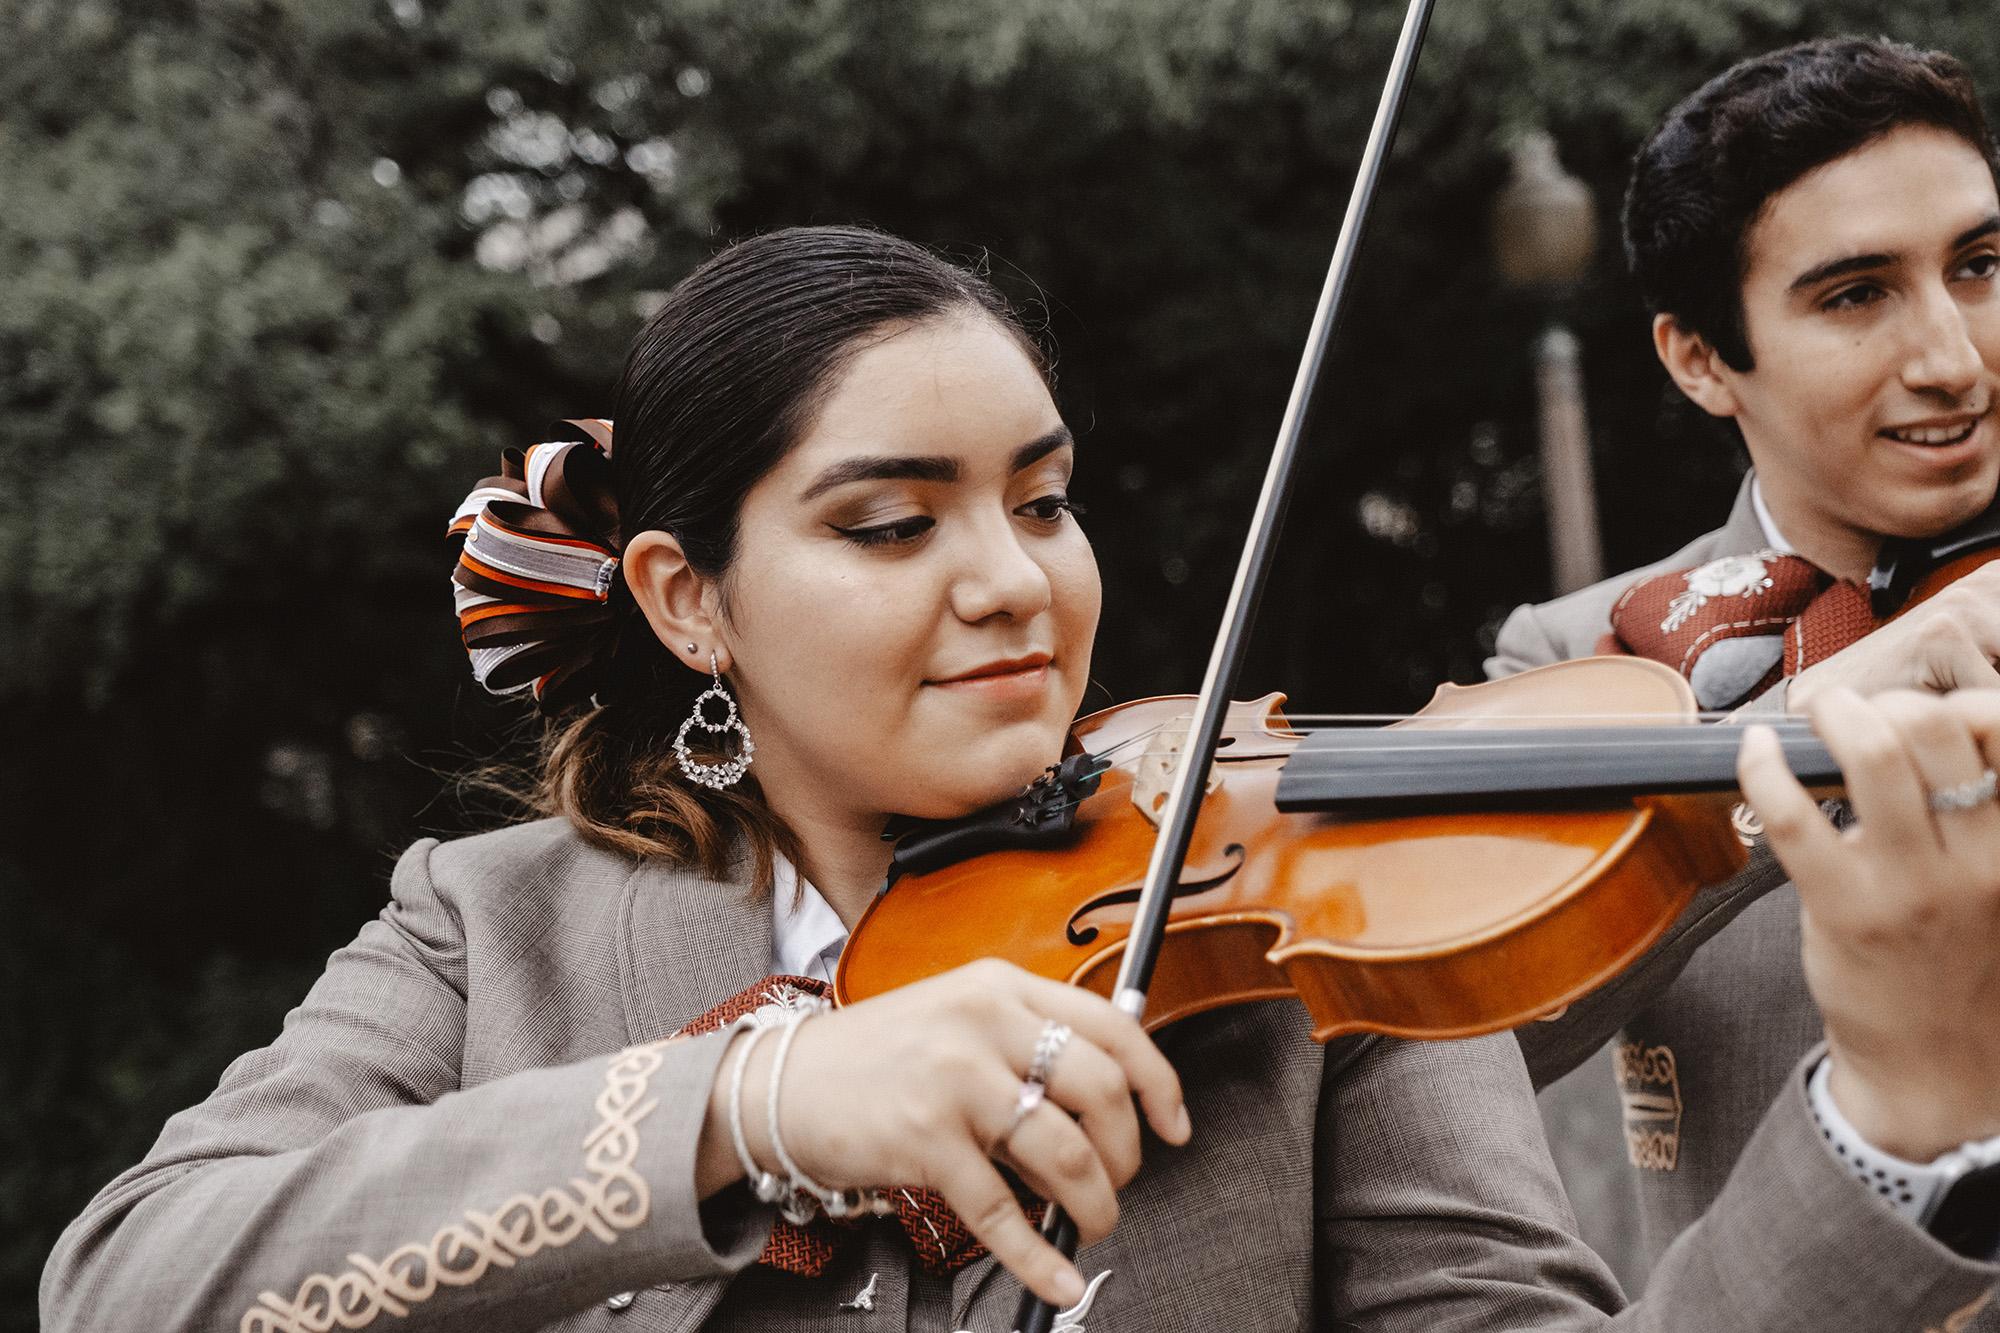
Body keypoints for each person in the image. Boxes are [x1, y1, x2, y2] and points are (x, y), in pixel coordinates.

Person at [41, 225, 1998, 1333]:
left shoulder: (1306, 913)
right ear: (688, 600)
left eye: (1044, 504)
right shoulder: (489, 930)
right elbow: (134, 1286)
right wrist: (761, 1098)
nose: (1013, 586)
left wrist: (1895, 1110)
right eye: (892, 526)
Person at [1492, 35, 2000, 1288]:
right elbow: (1480, 1039)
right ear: (1697, 359)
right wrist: (1787, 734)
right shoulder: (1583, 654)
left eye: (1980, 266)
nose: (1953, 358)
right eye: (1853, 295)